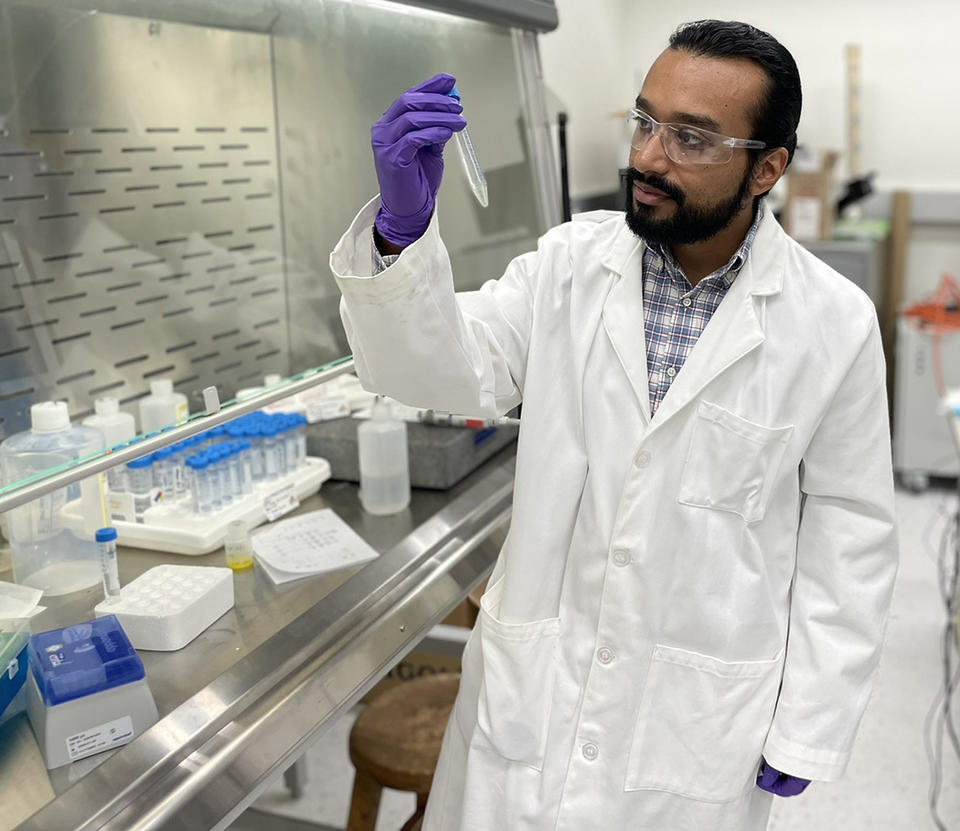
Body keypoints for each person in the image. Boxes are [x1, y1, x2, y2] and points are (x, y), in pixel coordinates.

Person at [330, 19, 898, 831]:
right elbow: (438, 367)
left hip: (689, 736)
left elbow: (852, 529)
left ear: (767, 167)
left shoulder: (833, 323)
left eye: (691, 138)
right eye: (644, 121)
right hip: (530, 714)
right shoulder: (568, 265)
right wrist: (399, 233)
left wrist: (812, 716)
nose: (648, 157)